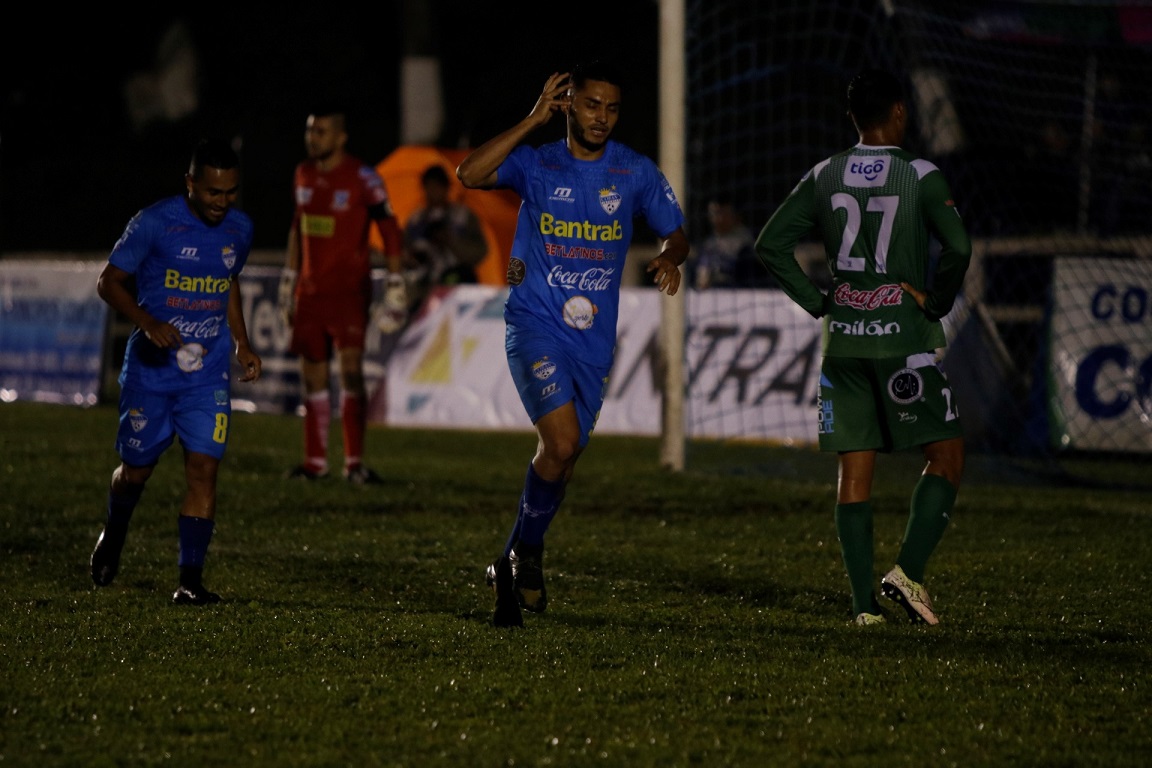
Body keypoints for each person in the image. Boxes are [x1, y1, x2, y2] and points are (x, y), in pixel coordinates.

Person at [456, 60, 690, 627]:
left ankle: (515, 555)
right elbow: (469, 173)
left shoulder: (633, 172)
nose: (602, 118)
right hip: (535, 323)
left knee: (565, 455)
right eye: (591, 105)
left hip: (593, 340)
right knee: (560, 443)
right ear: (570, 105)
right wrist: (532, 119)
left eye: (612, 108)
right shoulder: (538, 164)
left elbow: (677, 231)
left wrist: (669, 257)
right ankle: (526, 554)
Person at [754, 69, 972, 626]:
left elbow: (771, 244)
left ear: (853, 117)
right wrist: (936, 302)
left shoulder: (825, 173)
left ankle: (861, 607)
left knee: (855, 471)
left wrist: (819, 301)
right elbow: (959, 247)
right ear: (899, 112)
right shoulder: (920, 174)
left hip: (844, 340)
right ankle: (908, 571)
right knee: (946, 455)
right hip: (901, 342)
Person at [89, 137, 262, 605]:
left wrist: (242, 342)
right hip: (151, 374)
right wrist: (146, 322)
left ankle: (189, 581)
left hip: (205, 375)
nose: (222, 203)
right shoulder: (154, 223)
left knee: (204, 469)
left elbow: (228, 282)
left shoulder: (238, 229)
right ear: (190, 184)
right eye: (213, 193)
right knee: (136, 472)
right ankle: (115, 529)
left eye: (230, 193)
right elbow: (108, 282)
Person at [279, 105, 405, 484]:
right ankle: (315, 464)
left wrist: (396, 283)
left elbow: (391, 230)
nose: (312, 138)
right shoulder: (302, 173)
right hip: (310, 294)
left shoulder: (364, 178)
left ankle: (354, 464)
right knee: (313, 377)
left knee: (351, 373)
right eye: (310, 130)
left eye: (320, 132)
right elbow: (297, 228)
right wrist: (289, 281)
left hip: (350, 293)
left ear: (340, 137)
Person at [404, 164, 487, 306]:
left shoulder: (463, 216)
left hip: (458, 287)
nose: (432, 191)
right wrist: (412, 257)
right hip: (424, 290)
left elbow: (480, 251)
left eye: (437, 186)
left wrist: (450, 241)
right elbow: (405, 252)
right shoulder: (415, 220)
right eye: (428, 187)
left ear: (446, 187)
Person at [693, 195, 766, 289]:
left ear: (735, 216)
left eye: (723, 214)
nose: (718, 219)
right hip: (714, 291)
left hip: (741, 289)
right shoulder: (710, 242)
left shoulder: (744, 237)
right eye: (714, 214)